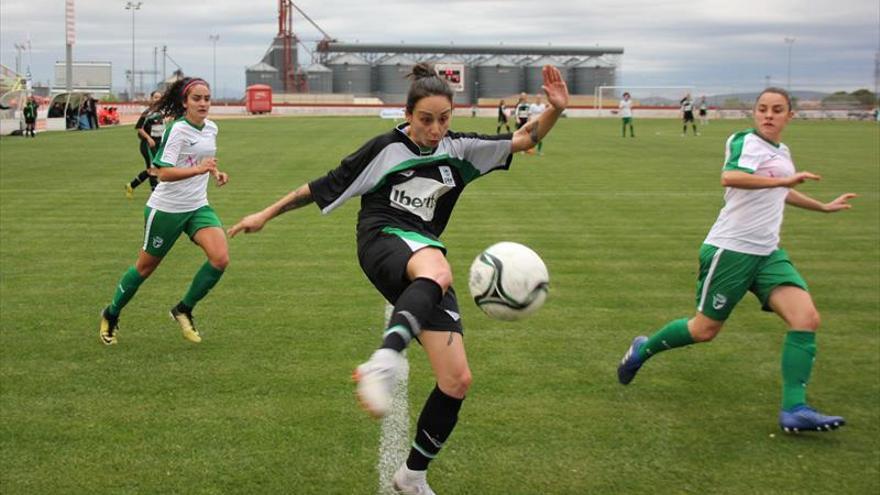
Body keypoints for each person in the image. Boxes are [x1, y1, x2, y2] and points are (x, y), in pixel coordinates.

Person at [227, 63, 569, 494]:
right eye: (425, 119)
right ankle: (385, 361)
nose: (435, 128)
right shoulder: (384, 149)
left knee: (457, 380)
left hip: (423, 255)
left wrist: (554, 110)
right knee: (438, 268)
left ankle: (412, 476)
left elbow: (524, 138)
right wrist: (265, 214)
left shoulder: (459, 149)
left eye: (443, 119)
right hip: (381, 239)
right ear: (408, 114)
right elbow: (319, 187)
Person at [616, 87, 857, 434]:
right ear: (755, 114)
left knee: (806, 318)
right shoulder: (745, 141)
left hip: (768, 253)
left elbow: (781, 189)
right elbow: (730, 177)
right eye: (762, 109)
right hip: (731, 250)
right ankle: (642, 350)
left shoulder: (782, 150)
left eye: (777, 110)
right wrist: (784, 179)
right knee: (704, 330)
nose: (768, 115)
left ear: (790, 115)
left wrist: (822, 206)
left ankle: (794, 409)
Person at [98, 77, 230, 346]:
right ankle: (111, 313)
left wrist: (216, 172)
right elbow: (163, 172)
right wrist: (199, 170)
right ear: (184, 102)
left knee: (220, 259)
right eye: (197, 98)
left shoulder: (211, 128)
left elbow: (203, 160)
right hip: (166, 209)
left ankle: (183, 309)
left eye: (207, 98)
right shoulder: (177, 131)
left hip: (197, 206)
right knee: (144, 269)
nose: (203, 103)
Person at [125, 91, 165, 198]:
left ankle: (131, 185)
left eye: (159, 97)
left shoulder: (161, 112)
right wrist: (148, 138)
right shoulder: (148, 113)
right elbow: (139, 127)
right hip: (148, 145)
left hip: (158, 144)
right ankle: (155, 194)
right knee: (153, 169)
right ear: (151, 99)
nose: (158, 99)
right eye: (155, 97)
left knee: (152, 169)